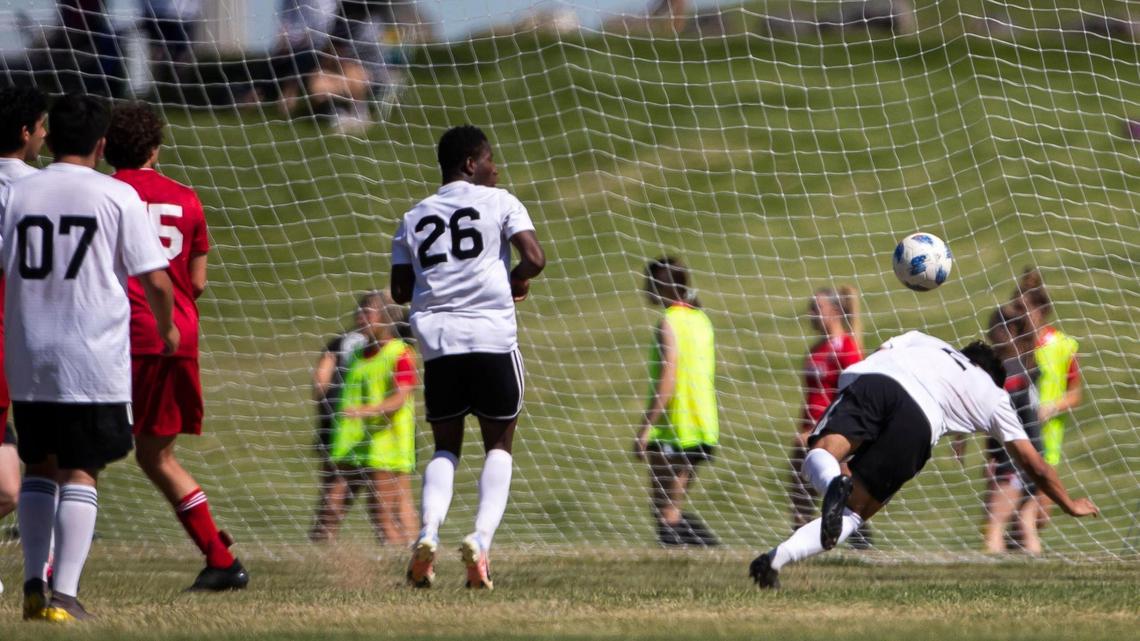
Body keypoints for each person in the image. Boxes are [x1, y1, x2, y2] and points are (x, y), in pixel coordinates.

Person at [1, 94, 177, 621]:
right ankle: (65, 594)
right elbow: (156, 277)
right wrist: (166, 326)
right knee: (81, 469)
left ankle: (33, 579)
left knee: (38, 465)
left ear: (49, 138)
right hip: (90, 354)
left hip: (30, 352)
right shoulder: (116, 195)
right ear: (102, 144)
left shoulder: (19, 193)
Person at [749, 331, 1098, 589]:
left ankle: (785, 544)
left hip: (878, 382)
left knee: (822, 453)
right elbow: (1034, 464)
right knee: (852, 514)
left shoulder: (925, 341)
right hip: (919, 422)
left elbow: (881, 351)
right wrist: (1069, 503)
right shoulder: (994, 396)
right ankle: (777, 559)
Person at [391, 124, 545, 590]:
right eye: (490, 159)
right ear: (469, 164)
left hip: (439, 344)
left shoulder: (413, 216)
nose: (496, 168)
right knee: (499, 444)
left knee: (445, 447)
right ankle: (479, 540)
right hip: (492, 337)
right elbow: (535, 258)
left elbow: (400, 290)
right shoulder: (500, 202)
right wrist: (515, 281)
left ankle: (428, 534)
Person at [105, 102, 249, 592]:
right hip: (176, 335)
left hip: (120, 333)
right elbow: (198, 282)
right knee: (156, 454)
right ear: (155, 149)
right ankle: (219, 556)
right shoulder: (186, 198)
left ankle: (51, 570)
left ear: (106, 148)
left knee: (75, 453)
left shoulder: (104, 193)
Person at [633, 257, 719, 547]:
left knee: (664, 509)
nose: (647, 287)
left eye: (652, 281)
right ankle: (706, 548)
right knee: (672, 507)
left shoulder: (669, 322)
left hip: (675, 425)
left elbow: (668, 376)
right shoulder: (701, 318)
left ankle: (701, 551)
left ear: (666, 284)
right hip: (702, 423)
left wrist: (646, 427)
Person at [324, 290, 418, 544]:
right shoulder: (355, 355)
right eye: (359, 311)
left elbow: (401, 398)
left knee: (383, 519)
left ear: (386, 318)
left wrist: (365, 412)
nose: (360, 317)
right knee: (329, 511)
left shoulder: (400, 353)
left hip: (384, 446)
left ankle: (412, 570)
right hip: (351, 446)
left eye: (368, 312)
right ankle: (320, 565)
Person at [0, 86, 48, 540]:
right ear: (25, 132)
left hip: (13, 337)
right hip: (21, 337)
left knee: (10, 488)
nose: (45, 134)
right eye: (41, 126)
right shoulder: (40, 188)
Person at [789, 286, 872, 548]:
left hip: (834, 434)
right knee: (799, 489)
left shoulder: (845, 347)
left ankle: (862, 545)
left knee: (845, 497)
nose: (811, 313)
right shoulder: (816, 350)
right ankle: (799, 543)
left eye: (817, 307)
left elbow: (855, 393)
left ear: (835, 311)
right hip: (808, 432)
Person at [1013, 267, 1081, 534]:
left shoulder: (1063, 345)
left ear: (1042, 310)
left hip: (1046, 441)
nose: (1022, 315)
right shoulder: (1010, 344)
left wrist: (1051, 407)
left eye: (1026, 309)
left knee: (1039, 515)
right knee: (1009, 511)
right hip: (1011, 435)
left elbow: (1075, 394)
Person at [978, 303, 1044, 554]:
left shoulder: (1008, 373)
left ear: (1004, 332)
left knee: (994, 526)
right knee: (1026, 526)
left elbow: (996, 418)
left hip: (1013, 460)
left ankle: (990, 575)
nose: (988, 333)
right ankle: (1038, 575)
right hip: (1034, 455)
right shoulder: (1027, 365)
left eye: (993, 328)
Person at [309, 296, 371, 541]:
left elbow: (320, 385)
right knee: (346, 486)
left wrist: (328, 414)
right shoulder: (384, 345)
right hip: (366, 425)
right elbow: (320, 383)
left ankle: (321, 536)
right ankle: (322, 537)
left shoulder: (339, 342)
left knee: (336, 485)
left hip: (337, 422)